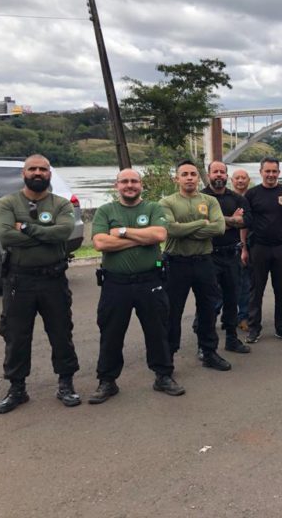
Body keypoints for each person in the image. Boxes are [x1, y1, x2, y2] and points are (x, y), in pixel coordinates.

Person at [0, 154, 81, 414]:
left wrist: (27, 229)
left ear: (50, 174)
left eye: (43, 169)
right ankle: (17, 389)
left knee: (61, 332)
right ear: (24, 173)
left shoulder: (60, 204)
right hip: (19, 280)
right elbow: (5, 235)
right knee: (16, 336)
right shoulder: (7, 203)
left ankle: (66, 383)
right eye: (33, 169)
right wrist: (46, 235)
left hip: (53, 278)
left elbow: (63, 232)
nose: (38, 173)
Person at [89, 169, 185, 403]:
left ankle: (163, 375)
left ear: (141, 185)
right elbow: (100, 242)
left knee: (157, 331)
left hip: (149, 281)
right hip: (115, 283)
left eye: (134, 181)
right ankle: (107, 381)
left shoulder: (152, 208)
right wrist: (141, 238)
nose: (129, 185)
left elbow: (159, 235)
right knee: (111, 332)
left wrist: (121, 233)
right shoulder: (106, 210)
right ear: (116, 185)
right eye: (124, 181)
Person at [160, 159, 231, 371]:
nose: (189, 177)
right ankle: (168, 358)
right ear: (177, 179)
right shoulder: (166, 202)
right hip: (176, 263)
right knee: (172, 311)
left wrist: (185, 228)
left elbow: (219, 228)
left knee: (208, 309)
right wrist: (202, 223)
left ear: (198, 177)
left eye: (193, 174)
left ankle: (208, 352)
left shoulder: (210, 201)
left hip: (204, 261)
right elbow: (171, 230)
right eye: (185, 174)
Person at [196, 161, 250, 355]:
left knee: (231, 299)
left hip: (231, 255)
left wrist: (216, 221)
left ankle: (231, 340)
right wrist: (230, 220)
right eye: (215, 171)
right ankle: (204, 346)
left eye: (222, 172)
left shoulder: (236, 198)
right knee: (208, 303)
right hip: (208, 255)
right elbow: (200, 225)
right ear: (209, 174)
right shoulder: (200, 198)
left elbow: (246, 221)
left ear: (227, 175)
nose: (219, 175)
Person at [244, 157, 282, 343]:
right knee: (255, 290)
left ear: (279, 172)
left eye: (274, 171)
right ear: (260, 172)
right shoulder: (251, 194)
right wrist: (244, 248)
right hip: (258, 247)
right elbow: (244, 224)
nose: (271, 175)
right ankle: (254, 328)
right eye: (267, 171)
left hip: (281, 247)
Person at [231, 169, 251, 331]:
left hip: (248, 246)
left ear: (248, 180)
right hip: (226, 247)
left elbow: (245, 223)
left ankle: (243, 316)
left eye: (243, 178)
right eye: (237, 178)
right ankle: (212, 317)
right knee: (220, 286)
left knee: (245, 284)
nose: (240, 181)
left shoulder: (251, 198)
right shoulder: (226, 198)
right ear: (232, 180)